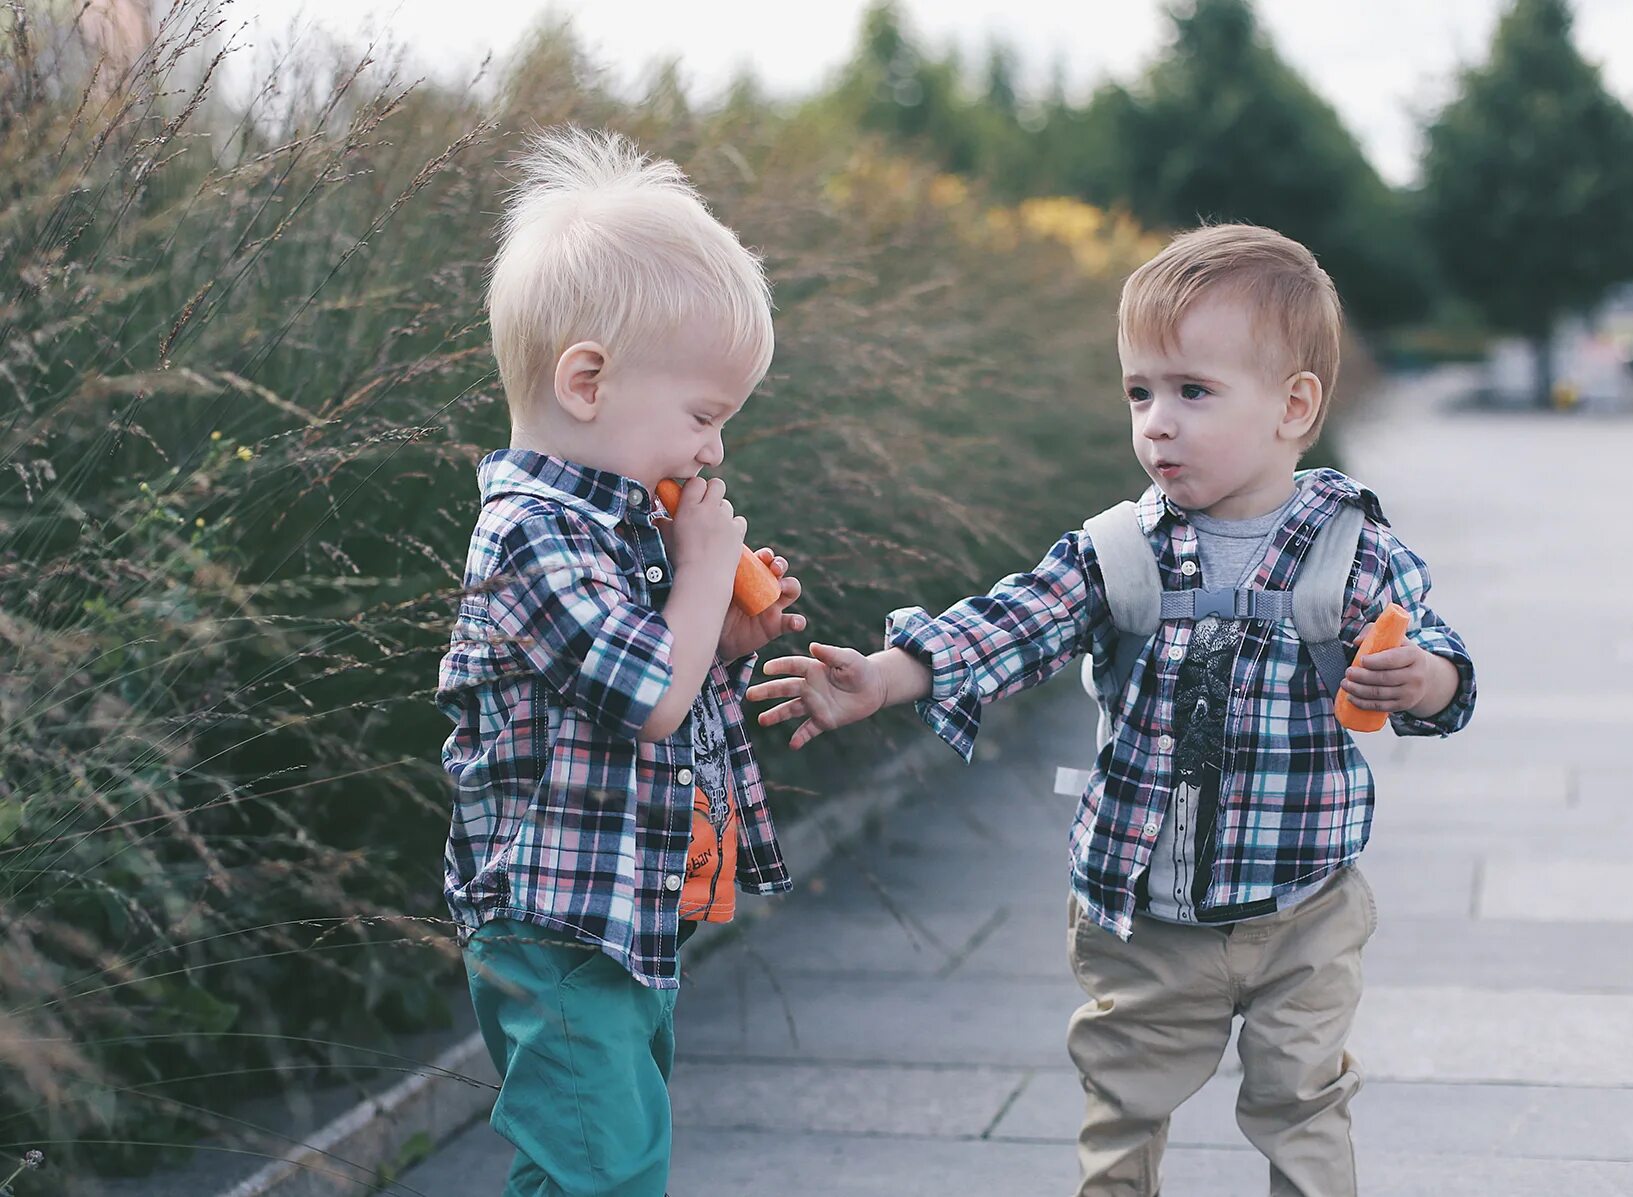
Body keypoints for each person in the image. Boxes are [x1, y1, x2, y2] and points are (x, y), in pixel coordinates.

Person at [749, 224, 1476, 1197]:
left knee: (1302, 1102)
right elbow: (1013, 621)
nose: (1156, 423)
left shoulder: (1351, 550)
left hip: (1305, 906)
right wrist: (890, 674)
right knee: (1122, 1104)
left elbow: (1436, 649)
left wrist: (1424, 679)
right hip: (1147, 915)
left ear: (1294, 407)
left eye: (1193, 391)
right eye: (1140, 391)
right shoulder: (1116, 553)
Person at [435, 126, 805, 1197]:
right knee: (600, 1171)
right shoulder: (527, 534)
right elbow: (645, 696)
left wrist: (724, 637)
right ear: (588, 382)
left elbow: (665, 685)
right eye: (703, 416)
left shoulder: (618, 528)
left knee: (616, 1152)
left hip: (623, 916)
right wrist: (700, 574)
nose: (714, 451)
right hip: (555, 924)